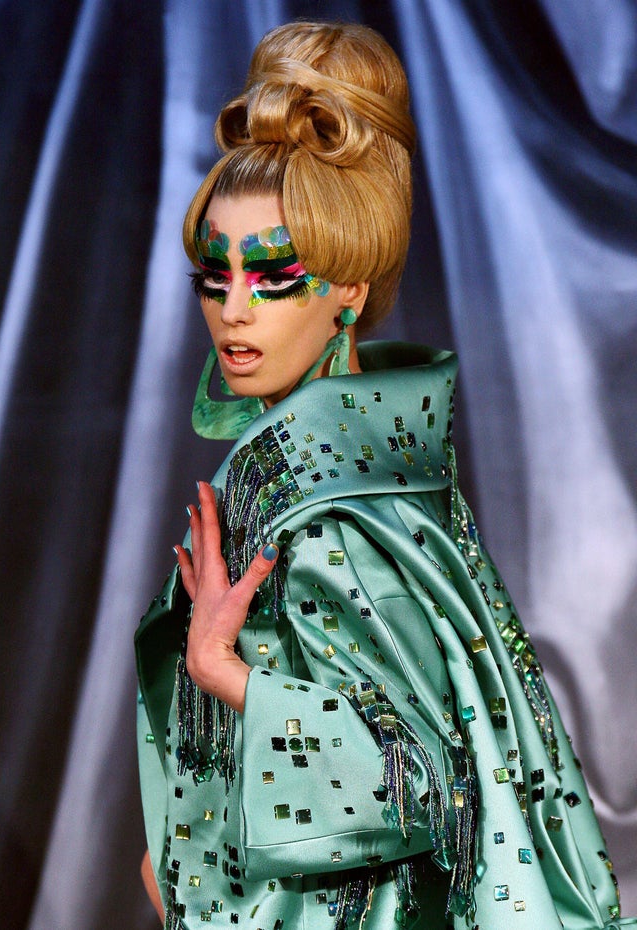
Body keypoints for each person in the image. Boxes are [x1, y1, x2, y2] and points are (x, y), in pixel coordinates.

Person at [135, 21, 631, 930]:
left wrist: (221, 671)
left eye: (276, 276)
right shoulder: (388, 479)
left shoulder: (335, 514)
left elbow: (426, 789)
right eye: (217, 271)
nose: (233, 310)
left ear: (350, 289)